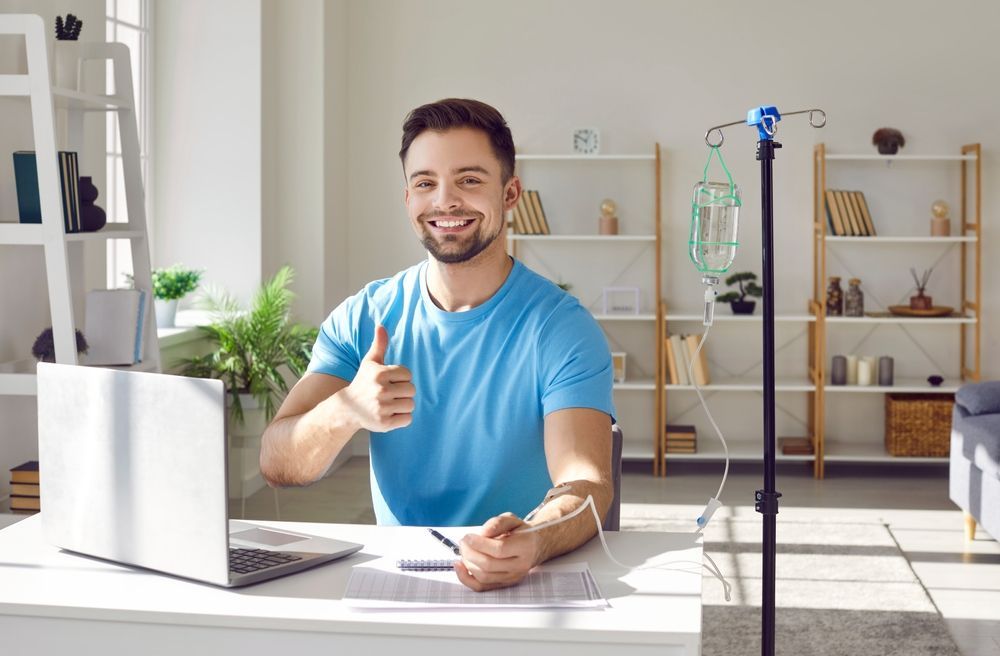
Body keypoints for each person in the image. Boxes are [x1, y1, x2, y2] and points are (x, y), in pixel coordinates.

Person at [260, 98, 615, 592]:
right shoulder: (364, 315)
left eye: (469, 180)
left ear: (510, 193)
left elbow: (587, 484)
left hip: (523, 575)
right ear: (408, 199)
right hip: (396, 575)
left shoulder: (561, 328)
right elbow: (277, 464)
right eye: (426, 183)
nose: (445, 201)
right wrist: (346, 409)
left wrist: (533, 539)